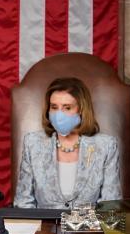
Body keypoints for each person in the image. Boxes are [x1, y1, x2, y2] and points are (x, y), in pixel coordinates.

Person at [14, 77, 121, 209]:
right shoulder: (32, 143)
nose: (59, 114)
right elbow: (23, 203)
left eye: (67, 108)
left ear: (81, 109)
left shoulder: (106, 146)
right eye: (54, 107)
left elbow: (111, 206)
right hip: (43, 222)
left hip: (89, 222)